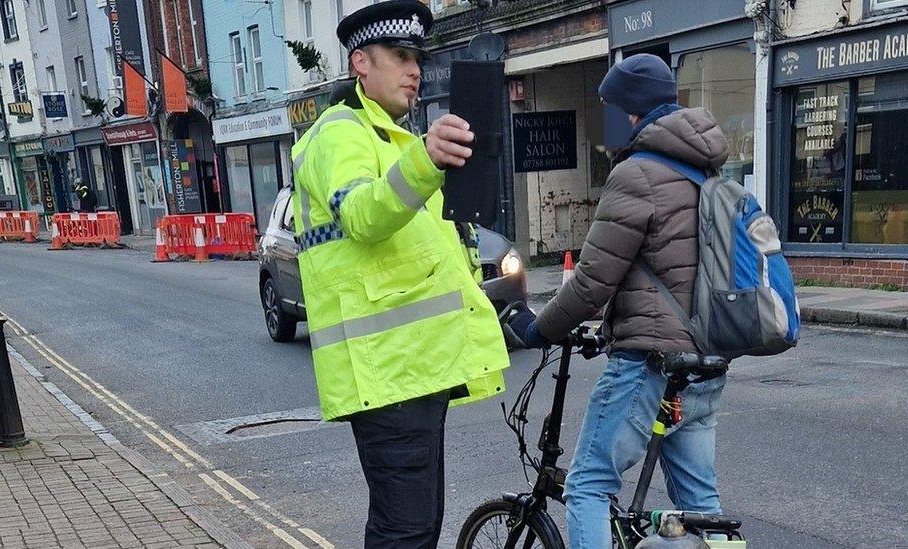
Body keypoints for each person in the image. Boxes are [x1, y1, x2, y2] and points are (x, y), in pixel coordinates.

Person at [289, 1, 509, 547]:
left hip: (413, 370)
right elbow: (363, 214)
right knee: (405, 532)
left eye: (418, 58)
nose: (415, 70)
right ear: (360, 62)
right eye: (400, 55)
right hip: (387, 374)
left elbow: (431, 258)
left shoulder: (396, 139)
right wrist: (428, 163)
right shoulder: (339, 134)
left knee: (416, 528)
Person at [509, 53, 731, 548]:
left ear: (631, 111)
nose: (601, 121)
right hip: (702, 363)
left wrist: (535, 328)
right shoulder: (708, 171)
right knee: (701, 510)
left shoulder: (637, 174)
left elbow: (591, 283)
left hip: (648, 366)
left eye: (606, 108)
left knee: (588, 484)